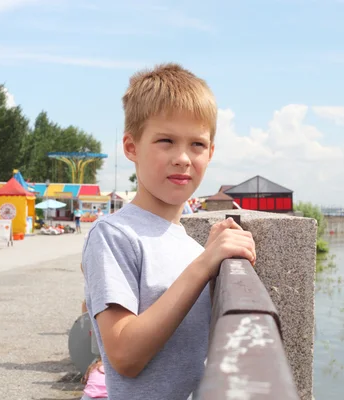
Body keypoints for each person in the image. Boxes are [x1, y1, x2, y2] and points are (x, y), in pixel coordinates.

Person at [81, 63, 256, 400]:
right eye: (165, 141)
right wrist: (205, 265)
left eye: (197, 145)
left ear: (211, 153)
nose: (182, 158)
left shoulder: (187, 243)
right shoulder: (114, 234)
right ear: (131, 147)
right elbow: (125, 356)